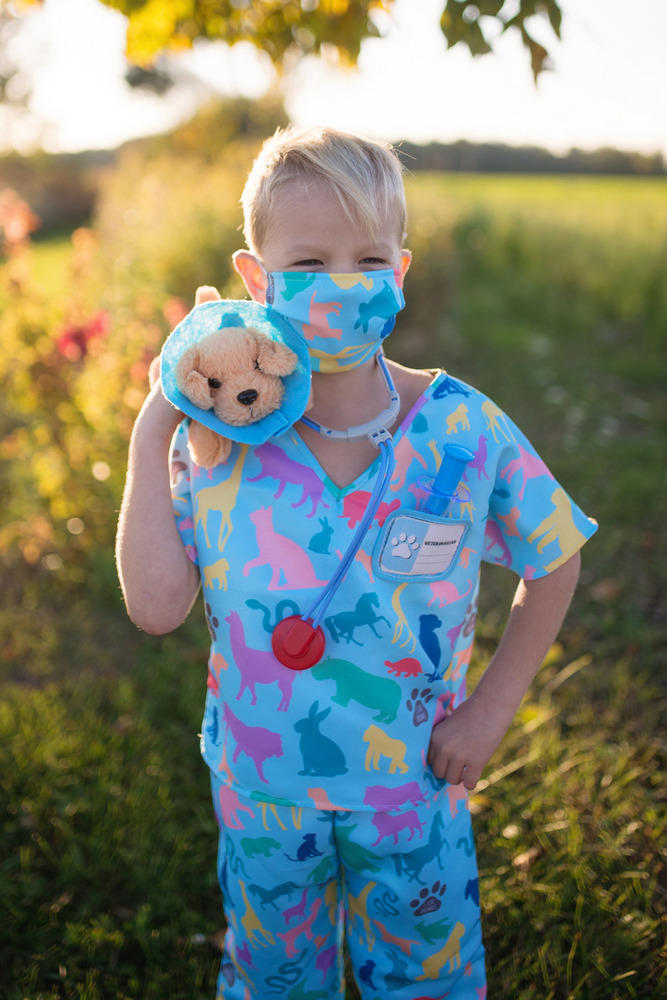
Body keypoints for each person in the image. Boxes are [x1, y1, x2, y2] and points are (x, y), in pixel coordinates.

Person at [116, 126, 597, 1000]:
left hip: (411, 785)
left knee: (424, 980)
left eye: (368, 258)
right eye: (309, 261)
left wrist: (489, 713)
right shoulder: (219, 438)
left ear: (400, 272)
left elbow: (554, 557)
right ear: (257, 280)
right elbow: (154, 608)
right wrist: (155, 427)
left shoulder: (461, 428)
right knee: (274, 978)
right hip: (263, 790)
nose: (343, 281)